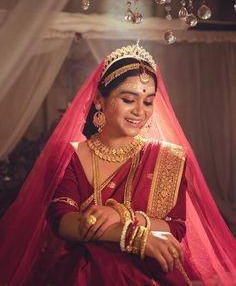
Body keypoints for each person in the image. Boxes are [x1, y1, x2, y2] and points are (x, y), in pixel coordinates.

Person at [0, 42, 235, 286]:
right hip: (82, 274)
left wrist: (119, 215)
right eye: (128, 99)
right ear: (99, 100)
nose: (139, 111)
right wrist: (135, 236)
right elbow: (63, 221)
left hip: (149, 272)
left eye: (148, 102)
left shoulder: (168, 157)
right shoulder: (71, 154)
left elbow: (174, 227)